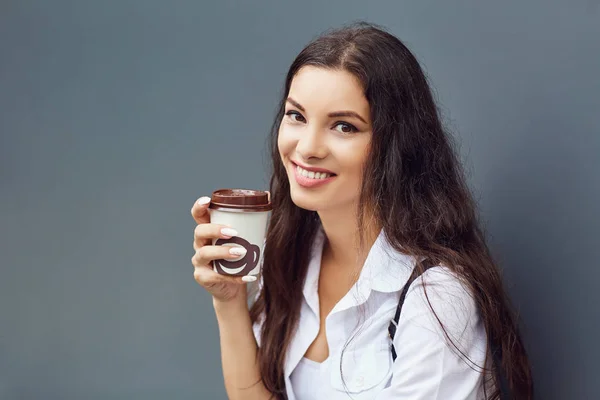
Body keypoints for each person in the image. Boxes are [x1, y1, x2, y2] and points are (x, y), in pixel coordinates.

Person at [190, 22, 533, 400]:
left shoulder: (436, 296)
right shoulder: (293, 257)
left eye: (343, 126)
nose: (307, 147)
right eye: (297, 116)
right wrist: (229, 301)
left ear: (394, 146)